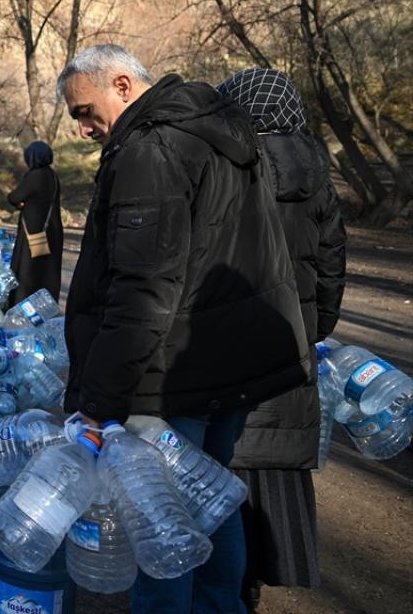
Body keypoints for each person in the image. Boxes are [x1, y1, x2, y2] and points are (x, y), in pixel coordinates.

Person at [58, 45, 312, 614]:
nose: (81, 128)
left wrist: (100, 399)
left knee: (163, 528)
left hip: (174, 376)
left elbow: (143, 288)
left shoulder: (151, 149)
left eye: (83, 110)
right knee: (211, 502)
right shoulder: (215, 132)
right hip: (228, 366)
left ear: (123, 85)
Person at [217, 68, 347, 611]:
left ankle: (231, 579)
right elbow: (332, 268)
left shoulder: (229, 167)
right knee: (278, 461)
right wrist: (312, 332)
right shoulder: (319, 174)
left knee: (228, 462)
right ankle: (270, 567)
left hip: (231, 349)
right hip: (292, 349)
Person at [6, 141, 63, 306]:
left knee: (27, 274)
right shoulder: (52, 175)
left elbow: (14, 197)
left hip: (34, 233)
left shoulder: (35, 175)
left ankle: (22, 308)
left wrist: (20, 202)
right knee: (46, 275)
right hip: (51, 232)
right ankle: (45, 308)